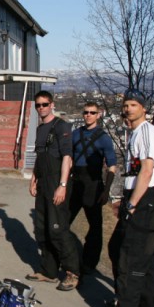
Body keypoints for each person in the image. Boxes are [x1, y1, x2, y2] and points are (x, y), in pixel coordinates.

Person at [90, 89, 154, 307]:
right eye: (126, 105)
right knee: (143, 259)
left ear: (143, 108)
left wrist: (131, 205)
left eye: (133, 104)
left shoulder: (147, 132)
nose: (128, 109)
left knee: (129, 261)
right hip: (141, 199)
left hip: (145, 201)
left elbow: (146, 171)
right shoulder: (135, 133)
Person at [26, 91, 81, 291]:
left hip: (57, 182)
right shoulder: (41, 129)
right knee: (42, 229)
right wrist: (33, 180)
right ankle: (49, 271)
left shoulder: (61, 126)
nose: (41, 108)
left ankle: (72, 273)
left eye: (44, 104)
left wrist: (63, 185)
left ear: (52, 104)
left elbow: (67, 157)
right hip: (43, 183)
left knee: (57, 229)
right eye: (38, 105)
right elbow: (40, 157)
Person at [69, 101, 117, 275]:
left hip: (94, 184)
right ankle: (68, 259)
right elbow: (67, 158)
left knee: (95, 227)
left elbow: (112, 166)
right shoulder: (75, 134)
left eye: (92, 112)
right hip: (76, 183)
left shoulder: (104, 138)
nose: (88, 115)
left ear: (99, 114)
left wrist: (106, 191)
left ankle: (89, 263)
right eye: (86, 112)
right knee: (63, 222)